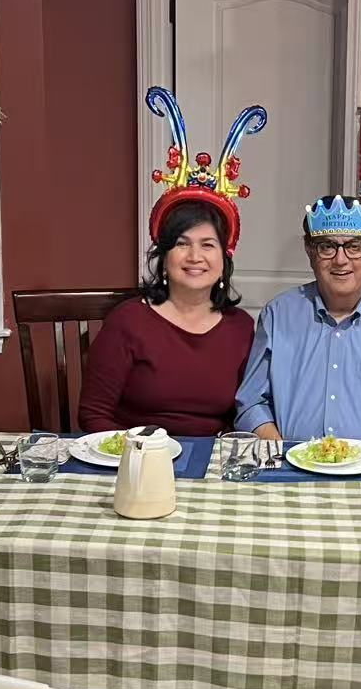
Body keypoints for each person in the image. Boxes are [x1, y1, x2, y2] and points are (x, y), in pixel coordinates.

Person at [79, 86, 261, 435]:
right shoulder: (128, 322)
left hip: (212, 467)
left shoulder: (241, 329)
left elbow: (245, 415)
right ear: (163, 256)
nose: (195, 257)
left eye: (208, 245)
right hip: (136, 462)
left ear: (225, 256)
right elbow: (93, 415)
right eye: (182, 243)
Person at [237, 195, 361, 445]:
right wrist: (283, 454)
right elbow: (251, 403)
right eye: (327, 246)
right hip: (292, 468)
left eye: (354, 246)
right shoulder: (276, 316)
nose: (341, 260)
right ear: (310, 252)